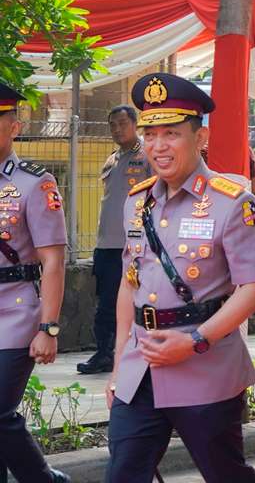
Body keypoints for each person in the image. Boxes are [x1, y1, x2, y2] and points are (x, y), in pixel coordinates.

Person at [104, 73, 255, 482]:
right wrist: (119, 364)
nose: (158, 146)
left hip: (205, 365)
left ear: (201, 138)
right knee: (123, 473)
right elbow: (130, 283)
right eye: (150, 134)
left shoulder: (233, 203)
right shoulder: (137, 202)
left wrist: (196, 340)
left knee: (225, 473)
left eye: (172, 134)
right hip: (141, 367)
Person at [0, 83, 70, 482]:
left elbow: (53, 260)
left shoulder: (34, 183)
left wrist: (48, 327)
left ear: (14, 127)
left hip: (16, 313)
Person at [78, 106, 152, 375]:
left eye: (122, 123)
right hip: (106, 245)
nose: (117, 129)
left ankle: (135, 351)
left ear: (135, 124)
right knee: (106, 303)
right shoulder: (112, 159)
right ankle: (104, 353)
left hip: (134, 245)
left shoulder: (147, 156)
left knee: (136, 300)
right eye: (112, 125)